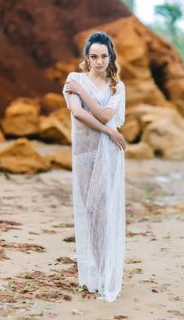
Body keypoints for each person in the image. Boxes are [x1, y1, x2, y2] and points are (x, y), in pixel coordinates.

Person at [62, 32, 126, 302]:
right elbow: (78, 114)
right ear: (86, 59)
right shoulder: (73, 80)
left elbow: (104, 114)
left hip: (107, 154)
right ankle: (100, 271)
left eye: (104, 56)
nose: (99, 61)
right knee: (90, 211)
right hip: (83, 153)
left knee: (99, 208)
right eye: (94, 56)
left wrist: (108, 132)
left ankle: (106, 272)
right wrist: (108, 131)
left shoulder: (116, 86)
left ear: (110, 57)